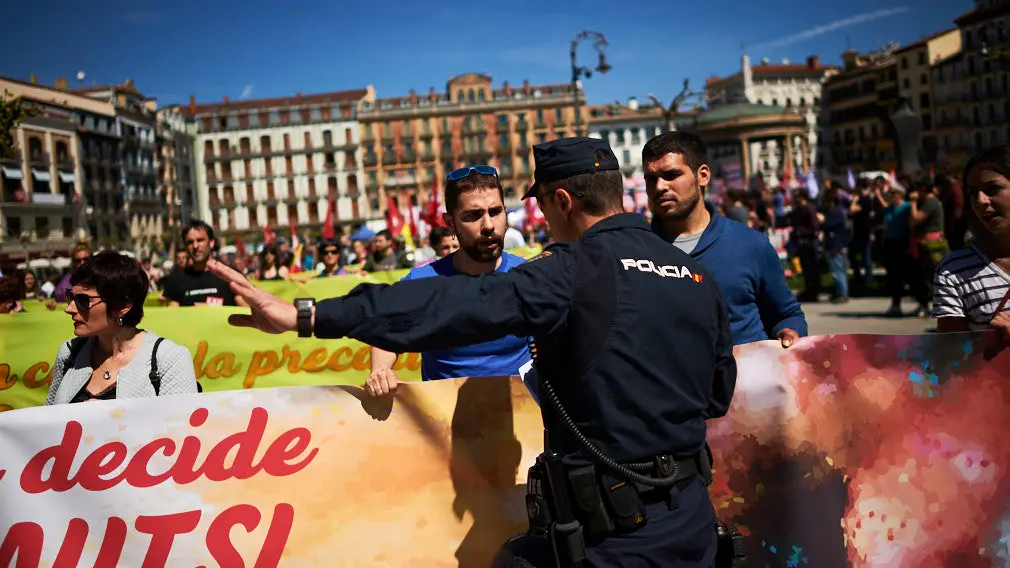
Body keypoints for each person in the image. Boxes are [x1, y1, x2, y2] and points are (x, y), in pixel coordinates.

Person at [207, 136, 737, 567]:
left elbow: (451, 305)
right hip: (693, 520)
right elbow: (718, 395)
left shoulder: (571, 271)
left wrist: (305, 315)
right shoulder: (697, 276)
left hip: (614, 536)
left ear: (563, 201)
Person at [366, 165, 531, 395]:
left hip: (523, 420)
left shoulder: (530, 275)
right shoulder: (422, 282)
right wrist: (380, 371)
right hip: (445, 425)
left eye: (495, 211)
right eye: (473, 215)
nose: (488, 226)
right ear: (450, 222)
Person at [644, 131, 807, 347]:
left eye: (671, 175)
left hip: (746, 377)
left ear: (702, 175)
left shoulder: (750, 245)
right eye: (650, 178)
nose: (659, 187)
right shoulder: (635, 251)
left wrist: (790, 331)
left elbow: (786, 313)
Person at [45, 251, 199, 404]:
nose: (70, 308)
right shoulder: (69, 353)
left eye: (82, 301)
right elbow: (48, 420)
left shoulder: (170, 359)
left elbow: (180, 425)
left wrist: (109, 418)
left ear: (122, 306)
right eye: (70, 297)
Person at [933, 145, 1010, 337]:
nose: (981, 201)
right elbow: (951, 357)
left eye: (993, 188)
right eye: (972, 193)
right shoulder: (953, 270)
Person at [161, 220, 247, 307]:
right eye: (190, 242)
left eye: (200, 240)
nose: (195, 246)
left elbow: (247, 311)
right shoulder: (176, 279)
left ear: (211, 243)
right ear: (185, 246)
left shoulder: (231, 275)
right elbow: (173, 316)